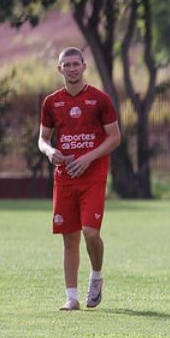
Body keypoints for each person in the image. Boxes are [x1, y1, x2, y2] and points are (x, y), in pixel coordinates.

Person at [38, 47, 121, 311]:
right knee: (69, 238)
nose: (72, 69)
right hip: (65, 178)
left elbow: (115, 137)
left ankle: (96, 276)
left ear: (84, 66)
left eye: (76, 64)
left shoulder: (99, 100)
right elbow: (42, 139)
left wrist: (88, 158)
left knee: (90, 233)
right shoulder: (52, 102)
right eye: (67, 64)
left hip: (93, 177)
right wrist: (50, 151)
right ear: (59, 69)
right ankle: (71, 297)